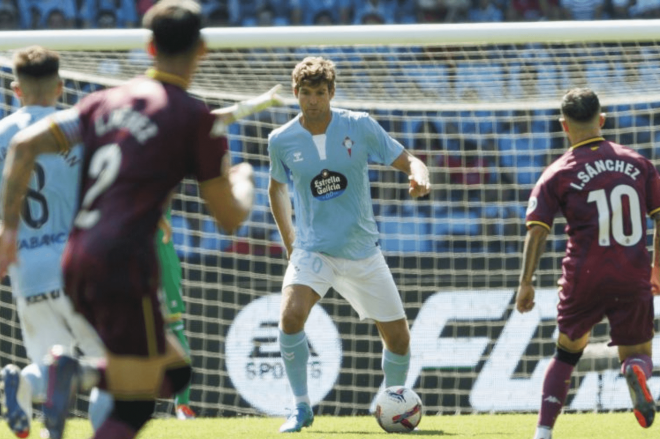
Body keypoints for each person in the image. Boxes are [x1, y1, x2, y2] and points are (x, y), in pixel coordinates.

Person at [0, 2, 281, 438]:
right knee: (136, 402)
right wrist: (243, 180)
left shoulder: (101, 102)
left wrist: (8, 230)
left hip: (75, 255)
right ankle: (72, 374)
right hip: (124, 262)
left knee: (174, 373)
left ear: (149, 47)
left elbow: (22, 147)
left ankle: (77, 375)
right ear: (202, 49)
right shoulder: (195, 119)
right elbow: (229, 218)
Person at [268, 56, 431, 433]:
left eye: (320, 93)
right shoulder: (281, 139)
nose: (312, 100)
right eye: (305, 93)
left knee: (399, 339)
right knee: (291, 316)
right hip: (314, 250)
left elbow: (410, 160)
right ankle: (301, 407)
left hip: (362, 250)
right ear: (296, 93)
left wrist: (420, 177)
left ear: (332, 92)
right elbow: (276, 188)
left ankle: (392, 404)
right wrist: (291, 243)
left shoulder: (359, 125)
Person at [516, 88, 660, 439]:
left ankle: (544, 432)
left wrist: (526, 282)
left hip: (585, 274)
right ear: (603, 120)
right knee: (639, 352)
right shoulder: (639, 164)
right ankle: (635, 371)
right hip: (632, 270)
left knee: (566, 352)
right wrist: (657, 268)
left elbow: (537, 232)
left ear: (564, 126)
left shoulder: (557, 173)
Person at [0, 45, 112, 439]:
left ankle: (23, 386)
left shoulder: (1, 136)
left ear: (16, 89)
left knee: (50, 367)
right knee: (109, 366)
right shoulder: (78, 129)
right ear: (60, 87)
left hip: (25, 267)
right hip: (76, 262)